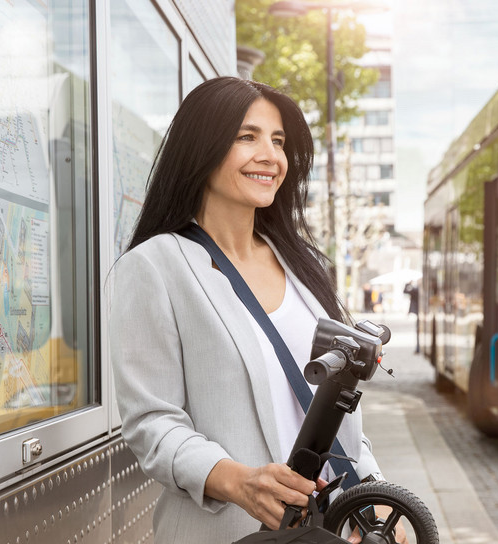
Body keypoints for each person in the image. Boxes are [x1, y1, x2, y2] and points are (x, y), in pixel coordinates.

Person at [109, 77, 405, 544]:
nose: (270, 155)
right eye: (247, 136)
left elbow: (336, 409)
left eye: (279, 141)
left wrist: (370, 500)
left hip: (327, 532)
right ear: (201, 148)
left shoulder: (304, 266)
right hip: (224, 533)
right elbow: (152, 423)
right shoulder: (153, 268)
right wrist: (237, 482)